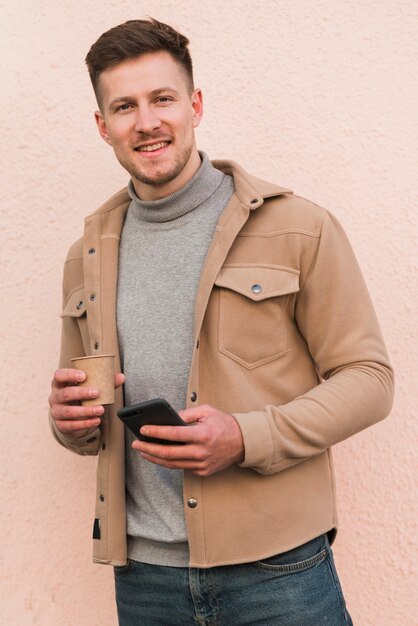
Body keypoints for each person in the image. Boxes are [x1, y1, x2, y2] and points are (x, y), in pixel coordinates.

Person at [48, 18, 393, 626]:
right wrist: (69, 422)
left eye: (163, 98)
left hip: (278, 572)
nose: (146, 121)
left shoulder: (299, 227)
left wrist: (245, 437)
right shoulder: (88, 253)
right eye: (124, 106)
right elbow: (86, 420)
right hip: (145, 581)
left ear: (195, 105)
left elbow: (369, 379)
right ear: (103, 127)